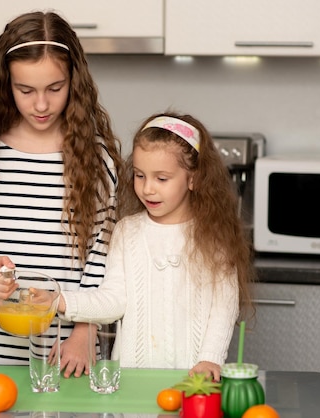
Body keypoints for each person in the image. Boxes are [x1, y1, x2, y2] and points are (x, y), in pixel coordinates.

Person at [0, 11, 123, 378]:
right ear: (6, 85)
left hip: (66, 351)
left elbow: (103, 261)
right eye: (26, 90)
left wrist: (86, 333)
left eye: (55, 88)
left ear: (75, 81)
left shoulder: (96, 160)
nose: (41, 105)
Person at [58, 111, 254, 381]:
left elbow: (223, 308)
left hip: (193, 382)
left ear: (193, 178)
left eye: (161, 179)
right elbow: (113, 301)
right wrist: (59, 300)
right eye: (140, 176)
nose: (148, 188)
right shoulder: (127, 231)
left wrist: (211, 358)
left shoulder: (214, 236)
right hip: (130, 382)